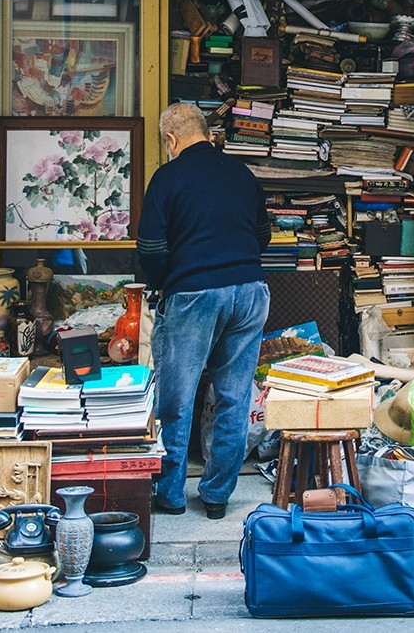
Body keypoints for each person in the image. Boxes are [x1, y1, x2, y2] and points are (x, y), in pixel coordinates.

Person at [138, 102, 271, 518]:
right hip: (250, 292)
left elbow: (151, 250)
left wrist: (168, 281)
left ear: (171, 139)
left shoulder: (167, 177)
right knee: (234, 398)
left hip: (193, 294)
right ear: (207, 133)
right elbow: (263, 235)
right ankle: (216, 496)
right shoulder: (241, 173)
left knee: (176, 400)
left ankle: (172, 495)